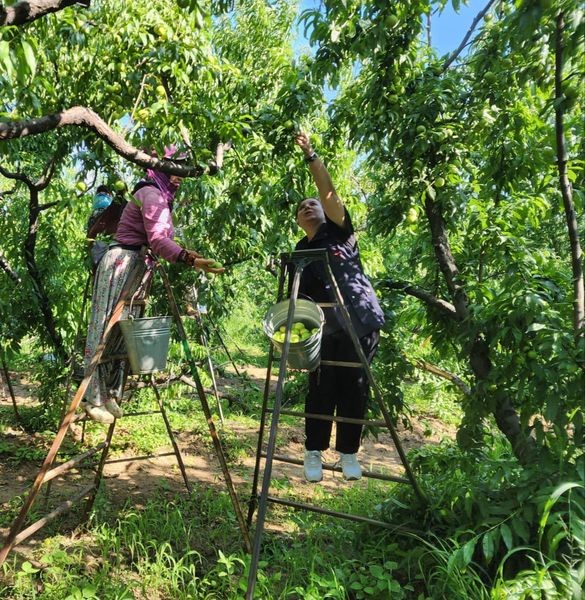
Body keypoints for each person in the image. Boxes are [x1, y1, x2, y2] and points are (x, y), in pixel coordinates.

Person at [81, 145, 225, 424]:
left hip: (136, 266)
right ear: (161, 167)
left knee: (123, 331)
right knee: (103, 329)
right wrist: (189, 259)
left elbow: (158, 238)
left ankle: (109, 392)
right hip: (121, 264)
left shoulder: (160, 196)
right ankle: (92, 396)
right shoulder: (152, 194)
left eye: (183, 170)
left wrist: (189, 255)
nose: (179, 176)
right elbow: (158, 241)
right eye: (175, 168)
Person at [291, 132, 385, 482]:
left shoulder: (341, 232)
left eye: (312, 203)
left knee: (355, 386)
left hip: (359, 321)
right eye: (301, 208)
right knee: (320, 387)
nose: (308, 207)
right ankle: (313, 452)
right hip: (323, 329)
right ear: (299, 221)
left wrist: (311, 155)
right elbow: (297, 299)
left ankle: (348, 454)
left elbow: (328, 192)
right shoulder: (300, 252)